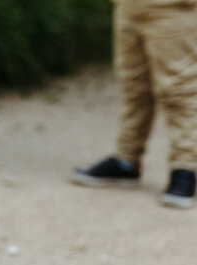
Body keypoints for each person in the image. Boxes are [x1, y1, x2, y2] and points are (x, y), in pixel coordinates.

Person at [71, 0, 197, 208]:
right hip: (128, 7)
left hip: (174, 10)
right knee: (134, 87)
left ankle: (186, 168)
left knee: (179, 91)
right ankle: (126, 161)